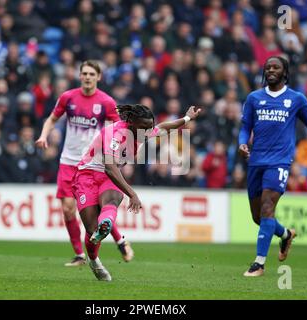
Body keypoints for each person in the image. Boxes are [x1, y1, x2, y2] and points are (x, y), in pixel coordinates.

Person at [238, 56, 307, 277]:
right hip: (256, 161)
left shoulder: (296, 99)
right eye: (268, 67)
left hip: (280, 162)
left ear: (285, 72)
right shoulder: (254, 98)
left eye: (276, 67)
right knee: (259, 218)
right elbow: (245, 127)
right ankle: (285, 235)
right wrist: (242, 142)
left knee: (268, 207)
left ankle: (258, 264)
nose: (271, 70)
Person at [75, 104, 201, 281]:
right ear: (131, 122)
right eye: (143, 127)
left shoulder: (144, 130)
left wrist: (187, 119)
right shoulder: (115, 133)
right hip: (88, 175)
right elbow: (110, 167)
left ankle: (106, 223)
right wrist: (132, 194)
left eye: (149, 127)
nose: (147, 131)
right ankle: (94, 261)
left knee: (111, 200)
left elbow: (164, 127)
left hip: (109, 177)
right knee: (91, 229)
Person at [35, 60, 134, 267]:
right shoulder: (68, 97)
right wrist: (44, 135)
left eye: (91, 74)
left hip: (93, 164)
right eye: (84, 73)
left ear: (98, 77)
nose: (87, 77)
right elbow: (52, 119)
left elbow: (121, 128)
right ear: (80, 76)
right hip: (69, 161)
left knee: (97, 209)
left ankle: (120, 240)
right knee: (68, 208)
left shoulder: (106, 102)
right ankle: (80, 255)